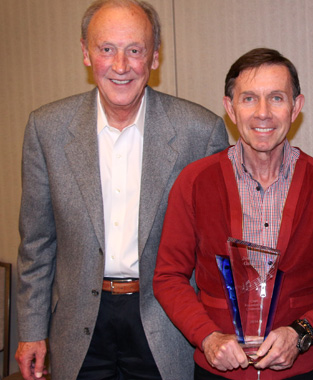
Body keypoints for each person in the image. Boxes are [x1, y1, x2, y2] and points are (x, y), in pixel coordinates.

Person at [15, 0, 229, 379]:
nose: (120, 65)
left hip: (165, 323)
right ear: (85, 52)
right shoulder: (46, 129)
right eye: (106, 49)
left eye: (135, 50)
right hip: (78, 328)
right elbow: (37, 243)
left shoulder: (200, 132)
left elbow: (214, 251)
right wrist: (32, 332)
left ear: (155, 56)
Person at [153, 48, 313, 380]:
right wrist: (206, 336)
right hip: (219, 370)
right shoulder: (195, 182)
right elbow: (168, 277)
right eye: (248, 99)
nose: (263, 113)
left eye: (276, 98)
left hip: (302, 370)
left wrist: (302, 333)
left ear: (296, 106)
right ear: (230, 108)